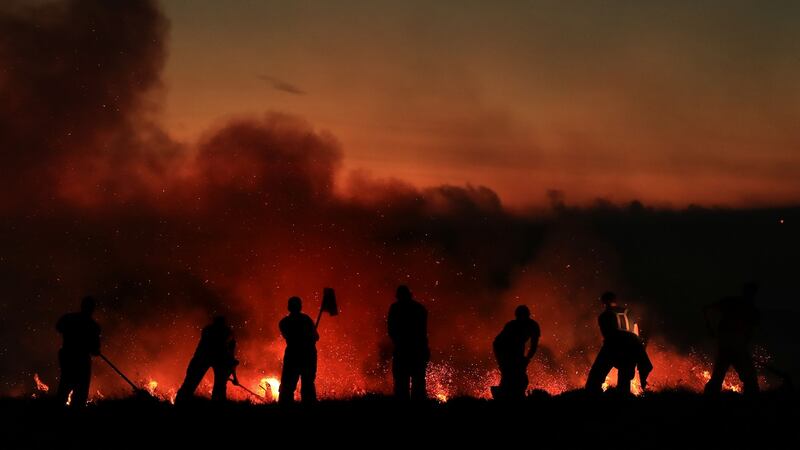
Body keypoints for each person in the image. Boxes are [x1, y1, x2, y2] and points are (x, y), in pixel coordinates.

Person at [585, 291, 652, 394]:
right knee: (624, 379)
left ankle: (592, 397)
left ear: (604, 303)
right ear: (615, 301)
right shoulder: (629, 312)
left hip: (614, 344)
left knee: (595, 376)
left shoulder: (605, 315)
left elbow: (607, 335)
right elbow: (635, 330)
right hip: (632, 345)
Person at [703, 282, 760, 395]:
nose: (751, 296)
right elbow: (707, 309)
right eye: (750, 293)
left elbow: (750, 330)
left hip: (733, 347)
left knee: (721, 376)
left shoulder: (750, 310)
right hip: (730, 347)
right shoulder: (733, 303)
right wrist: (710, 328)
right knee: (749, 378)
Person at [175, 316, 238, 403]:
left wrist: (234, 377)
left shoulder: (208, 330)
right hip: (212, 357)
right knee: (218, 388)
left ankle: (180, 403)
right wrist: (234, 377)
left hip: (207, 357)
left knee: (191, 382)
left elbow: (230, 358)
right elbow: (231, 358)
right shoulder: (227, 333)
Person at [56, 296, 101, 407]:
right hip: (81, 360)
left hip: (67, 356)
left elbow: (58, 327)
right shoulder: (93, 326)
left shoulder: (69, 318)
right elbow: (95, 350)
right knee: (81, 390)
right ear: (92, 309)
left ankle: (57, 410)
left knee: (65, 385)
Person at [387, 285, 430, 400]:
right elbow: (423, 332)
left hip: (402, 350)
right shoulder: (419, 308)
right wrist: (425, 349)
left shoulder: (395, 308)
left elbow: (391, 329)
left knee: (401, 382)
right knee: (418, 382)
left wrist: (398, 342)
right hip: (417, 350)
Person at [492, 305, 540, 400]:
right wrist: (502, 361)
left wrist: (527, 359)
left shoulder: (533, 326)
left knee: (518, 376)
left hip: (517, 349)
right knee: (509, 374)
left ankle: (511, 396)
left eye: (523, 316)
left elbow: (534, 345)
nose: (521, 319)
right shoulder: (511, 326)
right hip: (503, 349)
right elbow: (498, 343)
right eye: (519, 317)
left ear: (528, 315)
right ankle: (504, 397)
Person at [278, 296, 319, 404]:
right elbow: (316, 337)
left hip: (294, 356)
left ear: (288, 307)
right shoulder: (306, 320)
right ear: (300, 306)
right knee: (307, 384)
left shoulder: (284, 322)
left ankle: (285, 405)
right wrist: (309, 337)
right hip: (306, 355)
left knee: (288, 385)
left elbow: (290, 337)